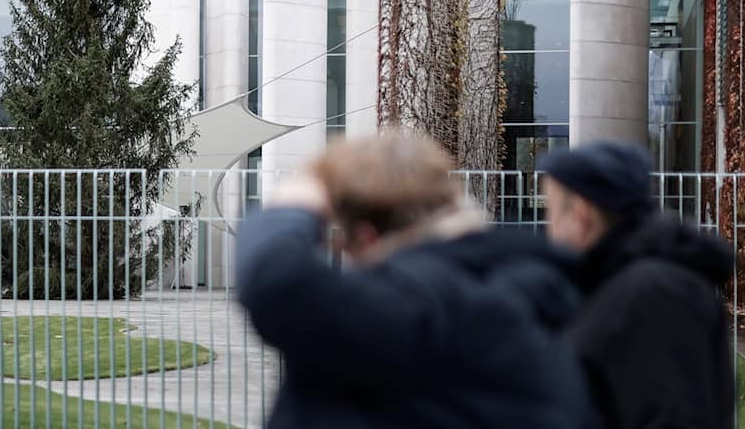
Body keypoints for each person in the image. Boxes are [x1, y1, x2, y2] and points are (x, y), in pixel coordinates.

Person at [237, 134, 598, 429]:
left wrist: (293, 205)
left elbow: (276, 282)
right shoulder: (514, 288)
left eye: (342, 240)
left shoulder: (426, 301)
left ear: (365, 237)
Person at [540, 140, 734, 429]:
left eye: (551, 212)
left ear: (581, 214)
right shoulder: (626, 283)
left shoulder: (652, 293)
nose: (548, 227)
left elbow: (672, 416)